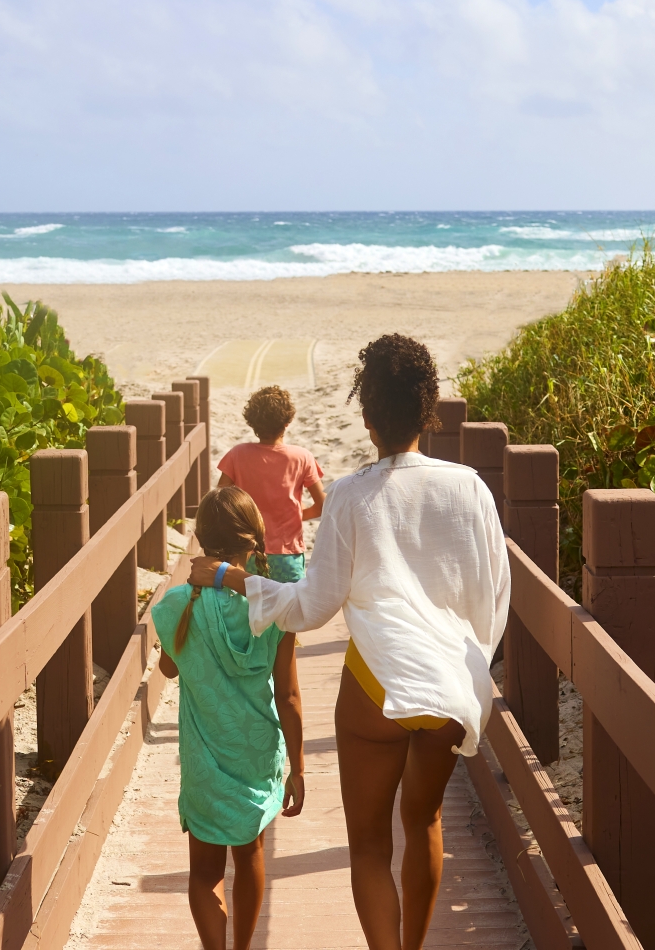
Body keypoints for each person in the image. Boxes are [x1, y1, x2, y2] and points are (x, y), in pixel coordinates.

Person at [188, 335, 510, 950]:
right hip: (448, 687)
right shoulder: (470, 489)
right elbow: (493, 597)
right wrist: (468, 671)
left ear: (367, 421)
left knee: (368, 843)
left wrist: (235, 577)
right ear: (429, 411)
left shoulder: (352, 496)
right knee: (426, 821)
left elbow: (311, 607)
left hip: (374, 683)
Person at [155, 486, 306, 950]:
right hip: (257, 750)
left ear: (199, 539)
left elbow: (167, 666)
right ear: (255, 540)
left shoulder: (178, 603)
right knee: (251, 852)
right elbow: (290, 695)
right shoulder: (272, 608)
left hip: (203, 755)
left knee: (203, 872)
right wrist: (297, 767)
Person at [218, 385, 327, 586]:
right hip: (287, 555)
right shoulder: (302, 457)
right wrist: (296, 514)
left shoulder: (237, 454)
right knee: (289, 610)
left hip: (246, 554)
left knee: (250, 610)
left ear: (252, 422)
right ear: (288, 422)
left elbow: (218, 503)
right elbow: (322, 505)